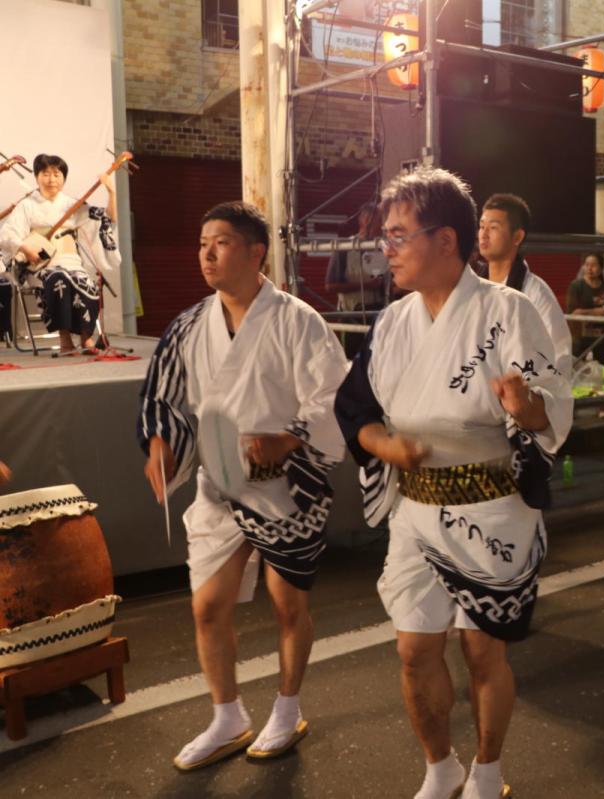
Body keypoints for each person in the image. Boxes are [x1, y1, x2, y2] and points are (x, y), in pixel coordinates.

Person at [334, 168, 572, 799]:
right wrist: (383, 443)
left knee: (482, 653)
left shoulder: (507, 311)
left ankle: (488, 770)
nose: (387, 250)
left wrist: (527, 409)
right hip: (416, 507)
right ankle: (440, 766)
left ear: (446, 240)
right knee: (414, 649)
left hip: (493, 510)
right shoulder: (391, 324)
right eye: (385, 237)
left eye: (397, 236)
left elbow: (552, 406)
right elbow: (354, 408)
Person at [138, 201, 348, 769]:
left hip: (285, 485)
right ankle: (227, 714)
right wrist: (163, 443)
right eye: (203, 242)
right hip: (220, 480)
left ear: (256, 252)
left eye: (222, 242)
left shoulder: (298, 320)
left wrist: (288, 438)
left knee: (286, 606)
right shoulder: (187, 325)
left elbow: (332, 397)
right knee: (207, 606)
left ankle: (287, 706)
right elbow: (165, 397)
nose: (207, 253)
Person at [0, 154, 121, 354]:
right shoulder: (27, 205)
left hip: (70, 261)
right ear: (37, 177)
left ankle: (86, 337)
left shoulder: (72, 204)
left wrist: (111, 191)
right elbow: (8, 235)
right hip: (40, 265)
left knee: (86, 282)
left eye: (57, 174)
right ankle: (65, 339)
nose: (51, 179)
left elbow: (108, 218)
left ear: (64, 177)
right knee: (59, 279)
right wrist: (25, 247)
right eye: (45, 174)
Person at [475, 193, 572, 375]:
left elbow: (559, 355)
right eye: (481, 226)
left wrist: (531, 398)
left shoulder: (535, 293)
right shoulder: (471, 287)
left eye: (493, 227)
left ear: (517, 237)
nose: (484, 234)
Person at [324, 201, 389, 355]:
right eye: (379, 220)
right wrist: (367, 285)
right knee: (353, 360)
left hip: (379, 314)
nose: (381, 226)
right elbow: (330, 286)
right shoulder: (344, 248)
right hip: (351, 316)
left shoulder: (383, 247)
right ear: (365, 221)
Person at [566, 253, 604, 363]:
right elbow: (572, 313)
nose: (589, 268)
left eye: (593, 265)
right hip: (580, 337)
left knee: (601, 368)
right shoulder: (576, 286)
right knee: (576, 368)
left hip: (602, 337)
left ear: (601, 268)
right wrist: (594, 312)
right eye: (587, 264)